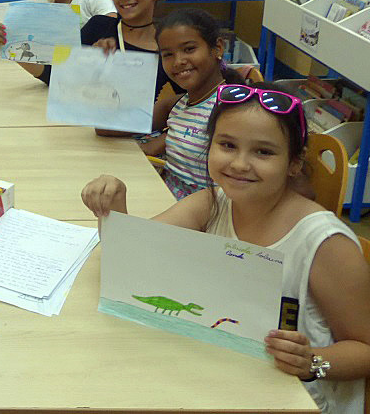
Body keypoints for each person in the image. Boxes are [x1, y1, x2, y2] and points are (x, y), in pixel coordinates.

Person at [82, 83, 370, 414]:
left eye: (263, 152)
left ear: (294, 162)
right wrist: (114, 208)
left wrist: (312, 361)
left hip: (296, 398)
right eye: (227, 145)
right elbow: (131, 256)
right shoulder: (214, 203)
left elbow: (365, 347)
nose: (239, 164)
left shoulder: (325, 244)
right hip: (219, 376)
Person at [0, 0, 180, 102]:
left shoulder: (169, 39)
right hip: (91, 130)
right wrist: (11, 48)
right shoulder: (99, 27)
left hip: (137, 138)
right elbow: (55, 76)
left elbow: (190, 98)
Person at [145, 8, 244, 199]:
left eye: (189, 49)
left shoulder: (232, 109)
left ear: (218, 49)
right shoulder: (182, 104)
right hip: (168, 201)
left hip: (203, 216)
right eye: (168, 55)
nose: (178, 61)